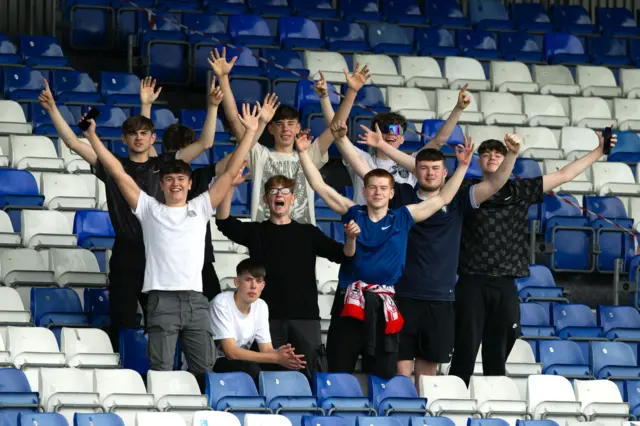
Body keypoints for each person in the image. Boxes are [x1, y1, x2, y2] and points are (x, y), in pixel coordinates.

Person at [81, 102, 262, 389]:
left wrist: (251, 133)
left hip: (196, 301)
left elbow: (228, 175)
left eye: (181, 179)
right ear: (161, 185)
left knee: (205, 370)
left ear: (190, 184)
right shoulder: (148, 208)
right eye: (169, 179)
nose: (175, 183)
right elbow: (117, 172)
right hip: (162, 301)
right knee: (162, 372)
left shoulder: (201, 206)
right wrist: (92, 136)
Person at [334, 118, 521, 385]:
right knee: (400, 374)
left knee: (428, 377)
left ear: (445, 173)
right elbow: (363, 168)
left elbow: (495, 184)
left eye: (436, 169)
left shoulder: (457, 199)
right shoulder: (401, 196)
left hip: (440, 298)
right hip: (402, 295)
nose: (430, 173)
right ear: (415, 171)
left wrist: (512, 154)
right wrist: (344, 140)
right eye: (423, 168)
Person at [38, 76, 220, 350]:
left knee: (161, 323)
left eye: (143, 133)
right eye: (133, 134)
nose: (138, 137)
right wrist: (53, 109)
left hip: (160, 252)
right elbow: (75, 144)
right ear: (124, 139)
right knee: (122, 321)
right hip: (127, 251)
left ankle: (161, 378)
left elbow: (205, 143)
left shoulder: (168, 164)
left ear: (153, 138)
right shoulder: (114, 167)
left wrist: (213, 106)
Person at [295, 124, 474, 378]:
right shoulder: (352, 211)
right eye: (372, 187)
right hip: (350, 300)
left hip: (386, 303)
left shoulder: (403, 216)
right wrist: (303, 152)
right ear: (365, 191)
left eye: (383, 188)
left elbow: (442, 199)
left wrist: (464, 167)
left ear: (392, 193)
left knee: (383, 375)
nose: (377, 192)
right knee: (338, 368)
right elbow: (320, 187)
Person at [448, 129, 618, 386]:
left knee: (498, 357)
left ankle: (497, 407)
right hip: (473, 280)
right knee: (464, 353)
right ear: (478, 161)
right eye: (486, 153)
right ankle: (453, 401)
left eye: (498, 153)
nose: (492, 156)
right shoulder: (465, 188)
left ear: (505, 158)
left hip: (505, 283)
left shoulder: (521, 190)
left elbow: (564, 175)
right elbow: (428, 173)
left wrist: (599, 151)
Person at [215, 171, 359, 381]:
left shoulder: (308, 233)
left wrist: (350, 238)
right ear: (266, 199)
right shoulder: (257, 231)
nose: (278, 195)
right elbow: (224, 222)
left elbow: (343, 254)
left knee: (310, 372)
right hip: (267, 317)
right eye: (273, 191)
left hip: (305, 316)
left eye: (284, 191)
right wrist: (230, 186)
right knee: (270, 375)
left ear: (293, 198)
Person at [209, 47, 369, 224]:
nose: (286, 129)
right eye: (280, 124)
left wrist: (352, 92)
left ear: (298, 128)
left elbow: (335, 128)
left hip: (302, 237)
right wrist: (223, 78)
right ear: (271, 129)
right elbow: (233, 120)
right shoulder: (260, 155)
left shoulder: (308, 155)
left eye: (291, 124)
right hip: (265, 236)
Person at [315, 71, 471, 205]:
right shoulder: (362, 158)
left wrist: (458, 109)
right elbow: (334, 131)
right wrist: (325, 98)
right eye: (384, 129)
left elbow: (439, 140)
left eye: (395, 130)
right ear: (374, 133)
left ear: (403, 138)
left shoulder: (414, 163)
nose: (390, 134)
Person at [210, 258, 309, 383]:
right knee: (251, 369)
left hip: (243, 361)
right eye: (248, 280)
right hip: (215, 362)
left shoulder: (261, 305)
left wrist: (282, 354)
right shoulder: (221, 302)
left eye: (258, 281)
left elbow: (266, 350)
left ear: (263, 286)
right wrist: (275, 358)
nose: (253, 286)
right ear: (237, 282)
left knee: (293, 369)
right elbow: (231, 352)